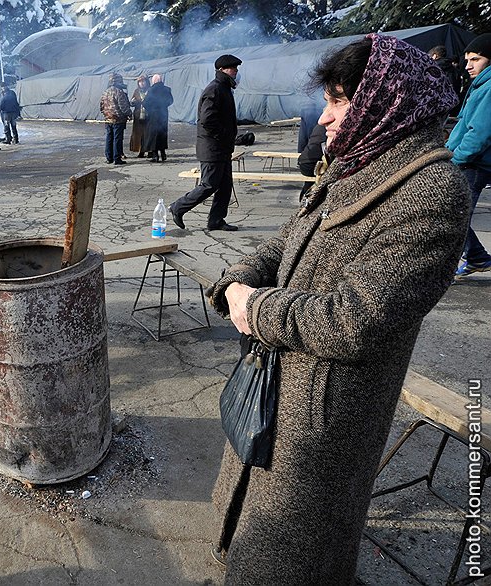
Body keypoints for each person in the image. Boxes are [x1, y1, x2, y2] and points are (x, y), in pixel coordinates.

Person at [207, 35, 469, 584]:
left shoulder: (433, 192)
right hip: (279, 382)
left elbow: (358, 319)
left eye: (339, 100)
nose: (324, 117)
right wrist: (239, 278)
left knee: (295, 555)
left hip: (325, 412)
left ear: (384, 101)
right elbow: (289, 238)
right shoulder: (356, 162)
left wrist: (257, 310)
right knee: (255, 539)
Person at [169, 55, 242, 231]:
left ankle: (216, 220)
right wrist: (224, 135)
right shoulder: (215, 89)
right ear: (222, 70)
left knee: (225, 186)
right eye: (233, 68)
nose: (236, 71)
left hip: (222, 147)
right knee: (209, 185)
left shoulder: (224, 88)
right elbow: (207, 120)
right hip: (213, 148)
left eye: (237, 68)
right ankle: (178, 207)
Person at [446, 33, 491, 279]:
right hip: (466, 160)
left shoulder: (490, 87)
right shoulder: (481, 85)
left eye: (476, 59)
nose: (468, 66)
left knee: (454, 217)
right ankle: (477, 258)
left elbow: (480, 132)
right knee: (455, 216)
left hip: (472, 163)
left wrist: (457, 158)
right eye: (467, 60)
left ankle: (451, 267)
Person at [99, 72, 131, 165]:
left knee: (109, 138)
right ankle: (117, 158)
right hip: (118, 120)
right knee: (117, 139)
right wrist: (129, 114)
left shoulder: (105, 92)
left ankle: (109, 158)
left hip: (108, 119)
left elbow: (101, 106)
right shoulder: (119, 92)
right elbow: (123, 107)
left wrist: (106, 114)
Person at [141, 73, 173, 163]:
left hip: (153, 116)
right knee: (162, 134)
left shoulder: (151, 90)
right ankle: (163, 154)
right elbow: (170, 101)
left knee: (154, 135)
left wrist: (151, 109)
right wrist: (163, 106)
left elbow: (145, 102)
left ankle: (155, 156)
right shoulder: (167, 89)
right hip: (163, 115)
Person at [129, 75, 150, 158]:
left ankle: (149, 150)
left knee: (147, 133)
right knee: (139, 134)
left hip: (148, 115)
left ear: (146, 82)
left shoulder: (150, 91)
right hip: (138, 115)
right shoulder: (137, 91)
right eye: (140, 82)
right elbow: (132, 101)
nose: (142, 83)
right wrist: (133, 102)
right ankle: (141, 150)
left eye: (143, 81)